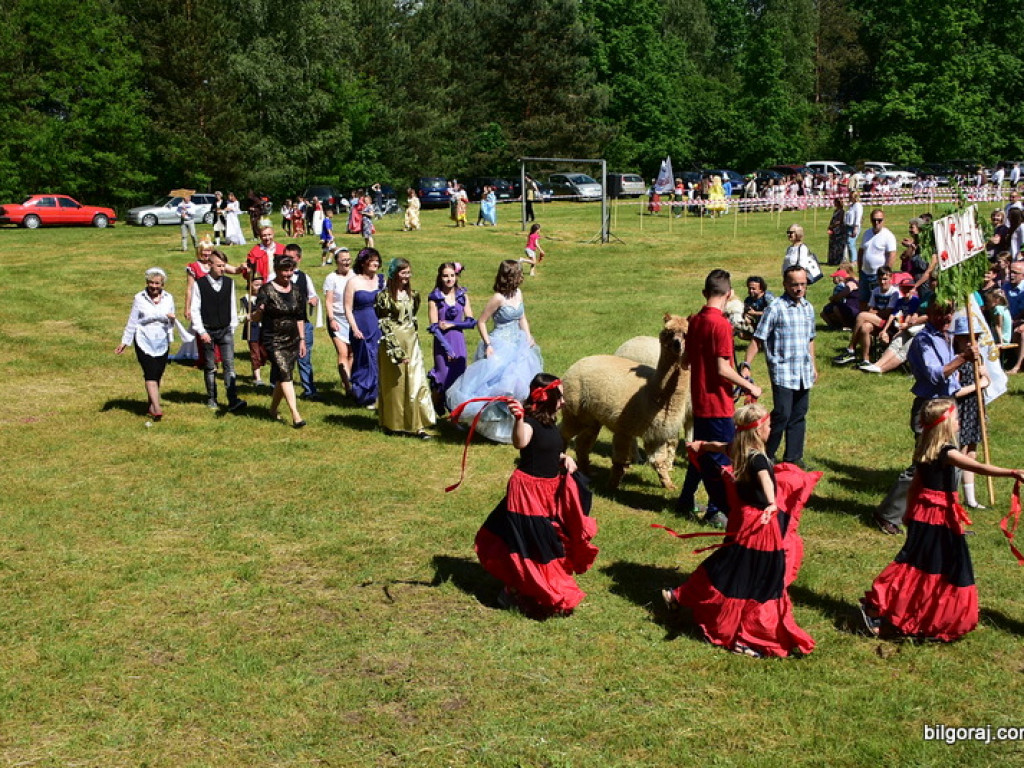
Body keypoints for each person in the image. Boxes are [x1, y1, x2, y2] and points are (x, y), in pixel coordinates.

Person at [662, 403, 819, 658]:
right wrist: (771, 503)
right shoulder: (757, 458)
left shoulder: (738, 449)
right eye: (768, 426)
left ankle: (680, 596)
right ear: (758, 431)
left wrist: (701, 445)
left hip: (744, 518)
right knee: (760, 578)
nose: (771, 429)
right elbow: (767, 481)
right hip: (759, 525)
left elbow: (718, 446)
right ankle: (743, 636)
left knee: (729, 566)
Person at [860, 399, 1024, 642]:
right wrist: (1011, 472)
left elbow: (917, 485)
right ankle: (879, 607)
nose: (959, 421)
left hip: (927, 513)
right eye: (956, 418)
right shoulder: (947, 452)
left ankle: (922, 615)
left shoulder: (925, 448)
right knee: (939, 565)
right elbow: (977, 466)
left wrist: (908, 512)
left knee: (926, 564)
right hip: (937, 516)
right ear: (945, 424)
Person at [474, 373, 597, 618]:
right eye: (559, 396)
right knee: (534, 544)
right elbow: (521, 443)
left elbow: (545, 449)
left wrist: (564, 458)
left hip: (548, 491)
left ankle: (522, 588)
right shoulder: (529, 422)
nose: (563, 401)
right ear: (547, 397)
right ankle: (515, 591)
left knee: (545, 539)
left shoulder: (550, 423)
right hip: (527, 493)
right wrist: (518, 419)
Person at [676, 269, 762, 529]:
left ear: (705, 293)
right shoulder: (721, 325)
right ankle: (716, 510)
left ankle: (684, 501)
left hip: (699, 400)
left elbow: (685, 361)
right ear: (730, 293)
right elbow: (722, 369)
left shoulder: (696, 320)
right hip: (718, 405)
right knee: (722, 459)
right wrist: (749, 386)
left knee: (699, 452)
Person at [445, 260, 544, 444]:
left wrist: (528, 336)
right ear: (508, 277)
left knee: (519, 386)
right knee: (497, 386)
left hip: (517, 343)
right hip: (500, 343)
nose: (520, 277)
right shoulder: (498, 298)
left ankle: (512, 427)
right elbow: (481, 321)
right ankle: (492, 427)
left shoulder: (518, 293)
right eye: (517, 274)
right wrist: (488, 344)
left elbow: (522, 317)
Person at [744, 266, 816, 468]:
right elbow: (758, 339)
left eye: (803, 284)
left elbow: (811, 339)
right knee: (782, 414)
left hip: (803, 371)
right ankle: (767, 454)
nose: (799, 289)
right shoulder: (775, 308)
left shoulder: (808, 308)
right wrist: (746, 364)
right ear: (785, 284)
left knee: (799, 415)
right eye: (794, 284)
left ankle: (794, 458)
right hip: (783, 372)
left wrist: (813, 365)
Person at [374, 258, 435, 438]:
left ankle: (418, 425)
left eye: (409, 273)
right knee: (396, 385)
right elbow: (384, 324)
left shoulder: (413, 295)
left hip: (412, 342)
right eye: (403, 273)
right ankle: (394, 424)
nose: (407, 277)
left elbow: (412, 317)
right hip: (393, 342)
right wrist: (396, 351)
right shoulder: (384, 297)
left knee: (417, 382)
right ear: (394, 274)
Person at [251, 255, 306, 428]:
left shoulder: (296, 290)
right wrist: (259, 311)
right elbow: (256, 317)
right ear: (277, 270)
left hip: (292, 338)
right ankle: (295, 415)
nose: (288, 274)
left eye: (291, 270)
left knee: (284, 376)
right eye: (285, 270)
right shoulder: (266, 290)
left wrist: (302, 339)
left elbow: (300, 317)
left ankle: (273, 409)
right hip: (273, 339)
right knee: (284, 372)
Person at [116, 267, 178, 420]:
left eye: (157, 283)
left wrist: (171, 319)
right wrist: (125, 342)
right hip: (143, 339)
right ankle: (157, 408)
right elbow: (132, 321)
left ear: (162, 284)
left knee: (158, 373)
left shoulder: (169, 298)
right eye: (151, 283)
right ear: (147, 282)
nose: (154, 286)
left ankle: (151, 404)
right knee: (150, 372)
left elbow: (172, 322)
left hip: (161, 340)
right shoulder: (139, 298)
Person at [191, 251, 247, 413]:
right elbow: (195, 309)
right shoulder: (199, 284)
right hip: (208, 330)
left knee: (229, 366)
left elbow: (232, 305)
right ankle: (212, 398)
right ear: (210, 265)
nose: (222, 269)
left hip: (225, 330)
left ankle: (232, 399)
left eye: (224, 266)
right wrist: (201, 331)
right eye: (219, 266)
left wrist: (232, 326)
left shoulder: (229, 283)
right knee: (210, 367)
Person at [951, 316, 991, 510]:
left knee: (972, 452)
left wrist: (985, 376)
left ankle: (971, 498)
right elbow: (955, 391)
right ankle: (952, 495)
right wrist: (978, 385)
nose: (970, 341)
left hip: (976, 407)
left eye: (973, 337)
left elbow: (987, 381)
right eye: (965, 337)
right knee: (960, 452)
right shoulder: (955, 359)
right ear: (957, 338)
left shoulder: (978, 357)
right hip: (961, 408)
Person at [427, 262, 476, 413]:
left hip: (458, 341)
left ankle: (455, 413)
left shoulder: (462, 295)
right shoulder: (434, 298)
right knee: (442, 377)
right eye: (445, 276)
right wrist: (447, 349)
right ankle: (434, 407)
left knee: (458, 378)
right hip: (442, 343)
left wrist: (452, 324)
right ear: (440, 277)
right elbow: (434, 327)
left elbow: (471, 322)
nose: (449, 279)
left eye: (452, 276)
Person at [278, 244, 321, 401]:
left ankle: (309, 390)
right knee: (282, 359)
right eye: (286, 257)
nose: (288, 260)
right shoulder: (275, 278)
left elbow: (313, 296)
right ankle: (278, 389)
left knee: (304, 359)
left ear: (299, 259)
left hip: (303, 324)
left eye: (292, 258)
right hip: (282, 325)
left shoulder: (304, 277)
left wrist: (313, 300)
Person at [344, 247, 386, 407]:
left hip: (378, 324)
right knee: (364, 360)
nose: (375, 263)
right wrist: (354, 328)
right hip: (361, 324)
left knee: (378, 359)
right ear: (363, 263)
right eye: (372, 260)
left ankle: (377, 394)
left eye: (377, 260)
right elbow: (348, 308)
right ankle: (362, 393)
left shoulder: (382, 281)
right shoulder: (353, 282)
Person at [833, 266, 898, 366]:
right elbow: (870, 308)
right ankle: (866, 360)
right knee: (865, 327)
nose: (882, 282)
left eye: (885, 279)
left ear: (891, 278)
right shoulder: (876, 291)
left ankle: (851, 349)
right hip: (876, 320)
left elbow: (888, 313)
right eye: (880, 279)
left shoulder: (894, 292)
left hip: (888, 323)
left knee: (862, 315)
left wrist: (872, 313)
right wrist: (873, 313)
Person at [323, 247, 354, 395]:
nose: (346, 263)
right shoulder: (331, 278)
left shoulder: (355, 276)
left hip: (352, 319)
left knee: (352, 353)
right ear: (337, 262)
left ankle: (348, 380)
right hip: (337, 318)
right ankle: (349, 387)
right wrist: (331, 319)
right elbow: (328, 301)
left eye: (348, 260)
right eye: (343, 260)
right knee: (343, 353)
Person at [857, 208, 897, 303]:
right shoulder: (867, 233)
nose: (876, 222)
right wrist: (859, 270)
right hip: (865, 274)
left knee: (877, 302)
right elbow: (861, 251)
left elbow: (892, 254)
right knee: (863, 300)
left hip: (878, 276)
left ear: (884, 220)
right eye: (874, 220)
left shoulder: (888, 236)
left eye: (879, 220)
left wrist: (885, 274)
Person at [240, 274, 267, 387]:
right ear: (250, 284)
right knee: (255, 353)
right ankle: (258, 378)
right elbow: (240, 316)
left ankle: (255, 369)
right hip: (252, 329)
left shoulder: (266, 298)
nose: (259, 287)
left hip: (265, 329)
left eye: (261, 285)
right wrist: (246, 317)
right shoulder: (245, 299)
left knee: (264, 353)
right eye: (256, 285)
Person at [735, 276, 774, 340]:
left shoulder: (768, 297)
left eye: (753, 289)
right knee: (741, 333)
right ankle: (758, 341)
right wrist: (745, 316)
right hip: (758, 325)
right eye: (749, 288)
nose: (751, 291)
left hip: (770, 326)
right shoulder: (748, 300)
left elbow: (773, 313)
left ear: (761, 289)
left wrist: (755, 313)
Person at [1003, 261, 1024, 374]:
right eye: (1011, 271)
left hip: (1020, 321)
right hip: (1008, 321)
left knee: (1021, 333)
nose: (1012, 275)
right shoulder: (1005, 287)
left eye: (1015, 273)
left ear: (1023, 275)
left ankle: (1018, 366)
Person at [826, 197, 846, 265]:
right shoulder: (835, 211)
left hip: (838, 231)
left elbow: (839, 222)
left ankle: (837, 261)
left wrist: (832, 227)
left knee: (838, 246)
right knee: (832, 246)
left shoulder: (842, 212)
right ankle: (831, 260)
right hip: (833, 230)